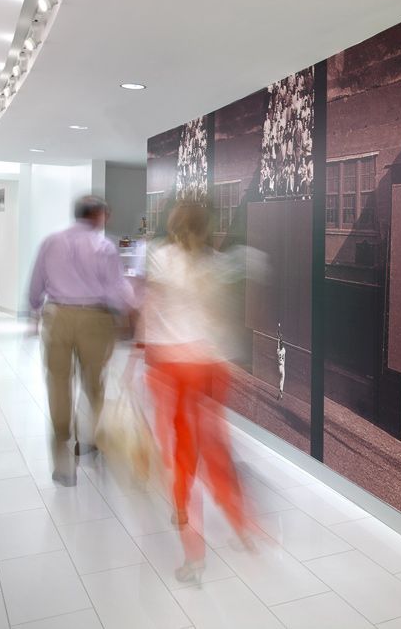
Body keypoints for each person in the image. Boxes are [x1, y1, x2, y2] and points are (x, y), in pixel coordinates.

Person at [143, 203, 257, 582]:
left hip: (174, 369)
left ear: (176, 227)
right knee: (215, 448)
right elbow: (242, 278)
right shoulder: (215, 263)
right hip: (209, 366)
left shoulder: (161, 258)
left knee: (180, 453)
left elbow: (149, 310)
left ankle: (192, 552)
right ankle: (241, 527)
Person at [28, 196, 137, 486]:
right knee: (93, 384)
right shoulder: (104, 247)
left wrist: (35, 309)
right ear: (98, 215)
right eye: (106, 214)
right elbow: (115, 289)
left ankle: (63, 465)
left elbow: (36, 283)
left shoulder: (51, 242)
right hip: (95, 319)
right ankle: (89, 442)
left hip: (58, 318)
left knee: (58, 384)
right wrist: (127, 317)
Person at [276, 324, 286, 400]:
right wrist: (280, 337)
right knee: (282, 379)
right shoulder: (284, 351)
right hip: (283, 367)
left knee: (280, 379)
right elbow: (281, 344)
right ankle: (281, 393)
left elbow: (279, 345)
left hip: (279, 367)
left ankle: (280, 395)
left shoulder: (278, 351)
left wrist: (278, 337)